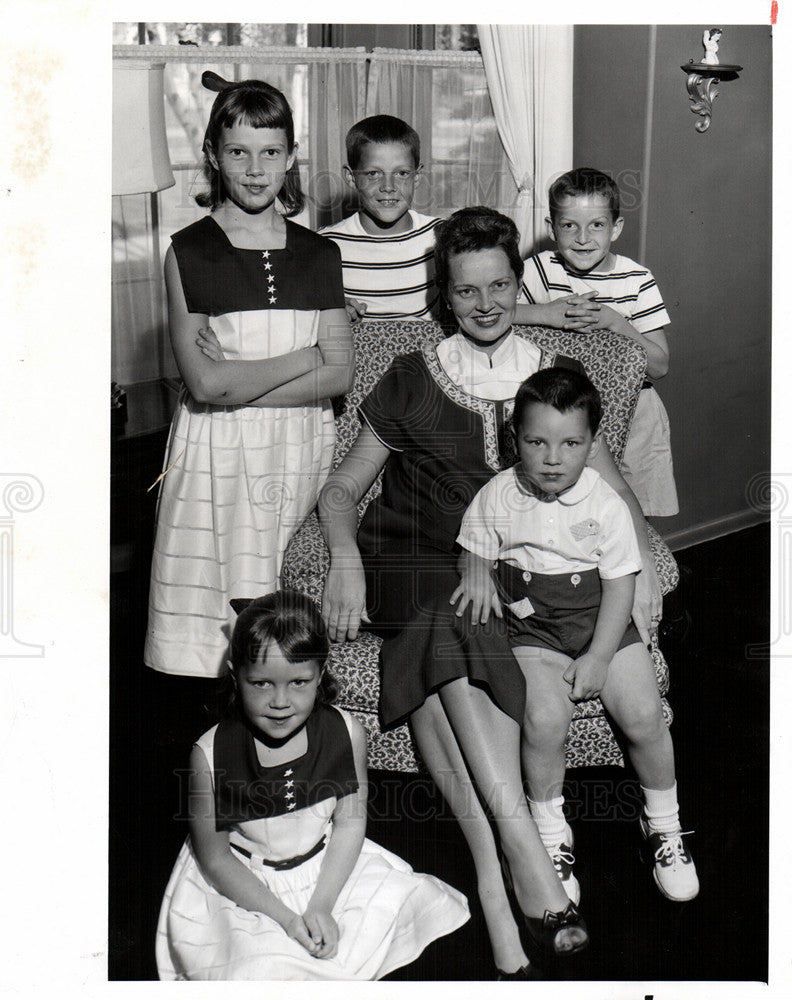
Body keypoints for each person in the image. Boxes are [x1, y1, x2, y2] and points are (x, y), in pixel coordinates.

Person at [318, 206, 662, 977]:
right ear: (445, 294)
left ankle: (495, 880)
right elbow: (343, 489)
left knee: (455, 645)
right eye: (466, 290)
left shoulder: (548, 377)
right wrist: (342, 555)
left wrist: (637, 568)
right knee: (450, 610)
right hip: (410, 555)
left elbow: (612, 484)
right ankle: (523, 856)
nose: (484, 304)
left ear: (517, 284)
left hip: (499, 570)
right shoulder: (411, 373)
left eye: (499, 285)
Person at [455, 367, 699, 906]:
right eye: (535, 441)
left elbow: (619, 587)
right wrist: (475, 569)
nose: (551, 458)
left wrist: (599, 656)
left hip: (602, 623)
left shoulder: (605, 504)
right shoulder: (499, 493)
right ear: (513, 437)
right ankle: (550, 831)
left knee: (643, 714)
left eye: (570, 443)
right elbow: (474, 542)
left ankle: (664, 823)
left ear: (592, 445)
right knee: (543, 718)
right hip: (534, 628)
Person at [144, 73, 354, 679]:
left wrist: (239, 374)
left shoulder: (320, 254)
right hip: (217, 456)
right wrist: (303, 357)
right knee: (217, 641)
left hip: (298, 451)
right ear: (213, 154)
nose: (256, 169)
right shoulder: (187, 251)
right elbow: (206, 388)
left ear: (291, 157)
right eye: (238, 152)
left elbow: (338, 375)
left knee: (283, 633)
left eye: (270, 152)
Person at [156, 590, 468, 980]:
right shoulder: (209, 756)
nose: (281, 701)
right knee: (262, 968)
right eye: (262, 684)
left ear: (321, 674)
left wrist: (322, 905)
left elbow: (350, 823)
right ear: (236, 675)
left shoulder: (347, 733)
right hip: (244, 888)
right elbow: (215, 859)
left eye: (299, 682)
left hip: (328, 870)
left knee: (415, 908)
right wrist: (287, 920)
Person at [520, 167, 679, 517]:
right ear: (551, 228)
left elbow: (660, 365)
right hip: (561, 415)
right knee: (569, 513)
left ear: (616, 228)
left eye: (596, 225)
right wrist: (545, 314)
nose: (582, 238)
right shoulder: (539, 270)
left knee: (634, 509)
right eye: (569, 225)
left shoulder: (637, 280)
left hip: (637, 413)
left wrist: (616, 323)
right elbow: (499, 315)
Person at [319, 115, 441, 322]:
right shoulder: (325, 244)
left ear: (417, 177)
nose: (388, 186)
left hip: (427, 351)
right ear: (351, 177)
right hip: (359, 353)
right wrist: (334, 309)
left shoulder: (440, 235)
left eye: (402, 173)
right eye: (373, 174)